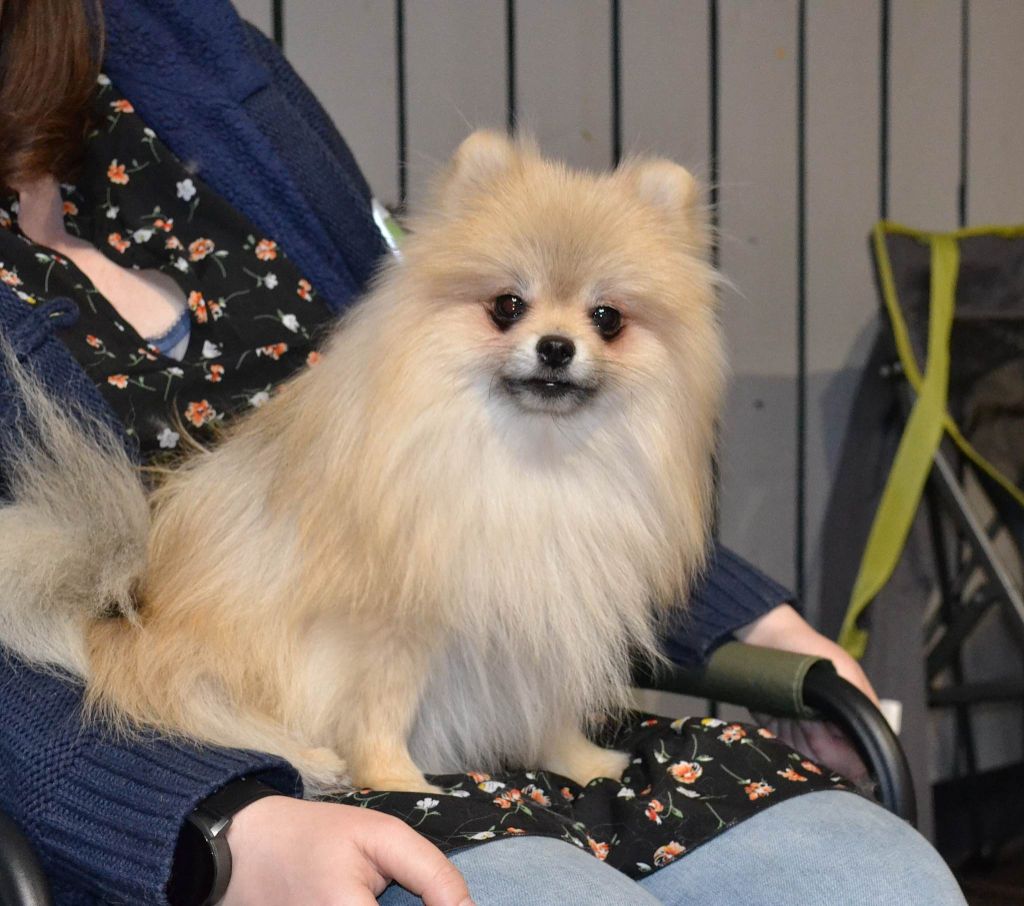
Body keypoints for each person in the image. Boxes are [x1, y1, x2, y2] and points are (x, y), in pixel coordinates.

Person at [0, 2, 965, 904]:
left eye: (601, 320)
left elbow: (587, 473)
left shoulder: (182, 41)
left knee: (876, 878)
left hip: (493, 746)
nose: (557, 338)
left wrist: (762, 622)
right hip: (236, 758)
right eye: (512, 309)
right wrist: (214, 822)